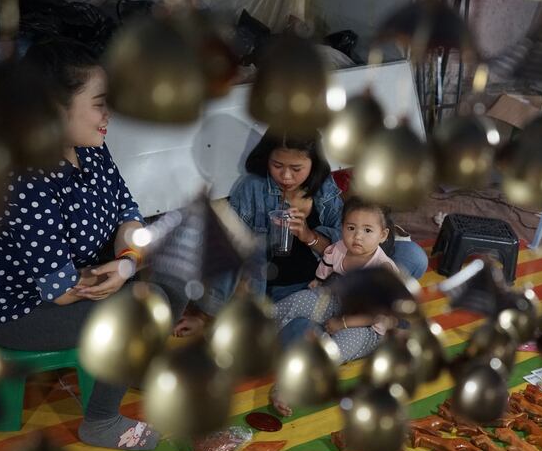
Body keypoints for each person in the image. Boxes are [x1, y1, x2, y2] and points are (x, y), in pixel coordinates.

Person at [0, 39, 186, 450]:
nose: (109, 114)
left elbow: (128, 212)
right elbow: (58, 292)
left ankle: (135, 361)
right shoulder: (25, 179)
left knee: (177, 269)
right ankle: (101, 420)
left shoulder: (90, 151)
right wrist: (125, 281)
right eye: (100, 103)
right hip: (21, 310)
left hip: (80, 280)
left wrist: (128, 262)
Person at [174, 128, 429, 336]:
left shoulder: (322, 185)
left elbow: (350, 240)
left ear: (313, 163)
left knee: (413, 257)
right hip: (286, 290)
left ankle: (358, 317)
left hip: (334, 276)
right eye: (277, 165)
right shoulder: (252, 188)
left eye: (296, 169)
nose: (286, 176)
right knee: (301, 336)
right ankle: (347, 321)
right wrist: (205, 313)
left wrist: (309, 236)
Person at [271, 197, 399, 415]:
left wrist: (344, 323)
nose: (357, 236)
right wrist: (319, 281)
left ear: (383, 235)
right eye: (351, 228)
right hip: (339, 302)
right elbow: (328, 263)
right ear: (342, 228)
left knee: (333, 351)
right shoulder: (340, 248)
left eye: (368, 230)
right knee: (300, 298)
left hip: (367, 327)